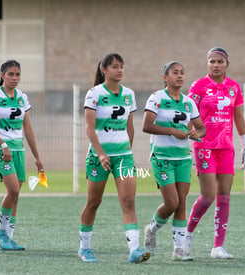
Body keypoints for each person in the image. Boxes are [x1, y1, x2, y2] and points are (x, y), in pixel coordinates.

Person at [78, 53, 151, 264]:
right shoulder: (94, 94)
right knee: (93, 202)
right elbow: (89, 129)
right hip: (98, 157)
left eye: (122, 67)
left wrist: (128, 148)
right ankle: (84, 248)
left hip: (124, 157)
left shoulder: (129, 94)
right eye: (115, 67)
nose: (120, 70)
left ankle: (134, 250)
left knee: (128, 201)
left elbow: (130, 126)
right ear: (104, 70)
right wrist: (101, 153)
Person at [185, 47, 245, 259]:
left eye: (219, 61)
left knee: (224, 196)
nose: (215, 65)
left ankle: (217, 247)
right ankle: (186, 235)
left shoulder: (233, 87)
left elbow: (238, 116)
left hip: (226, 148)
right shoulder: (199, 86)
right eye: (212, 61)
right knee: (208, 196)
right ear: (207, 64)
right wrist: (188, 135)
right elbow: (187, 111)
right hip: (204, 146)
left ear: (227, 65)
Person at [142, 61, 205, 261]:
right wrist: (173, 131)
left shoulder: (189, 102)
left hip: (183, 158)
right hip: (162, 157)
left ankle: (179, 249)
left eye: (182, 73)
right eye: (175, 73)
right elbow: (146, 125)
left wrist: (195, 133)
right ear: (165, 77)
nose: (180, 76)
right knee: (171, 202)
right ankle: (151, 228)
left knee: (182, 202)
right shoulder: (157, 98)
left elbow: (201, 128)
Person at [0, 60, 44, 250]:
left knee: (16, 195)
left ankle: (8, 238)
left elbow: (28, 129)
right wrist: (2, 145)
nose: (14, 78)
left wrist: (37, 157)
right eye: (11, 74)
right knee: (13, 191)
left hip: (19, 150)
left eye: (17, 74)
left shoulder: (22, 98)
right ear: (2, 75)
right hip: (0, 150)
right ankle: (1, 231)